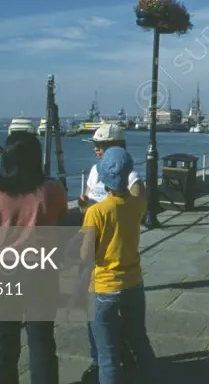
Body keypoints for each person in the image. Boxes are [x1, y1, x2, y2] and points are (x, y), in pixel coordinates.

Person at [0, 133, 68, 384]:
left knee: (3, 339)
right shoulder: (52, 189)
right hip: (42, 271)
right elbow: (61, 215)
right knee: (41, 340)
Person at [80, 148, 154, 384]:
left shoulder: (96, 212)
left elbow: (86, 254)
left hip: (104, 287)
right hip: (133, 283)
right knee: (140, 342)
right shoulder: (138, 204)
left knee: (108, 355)